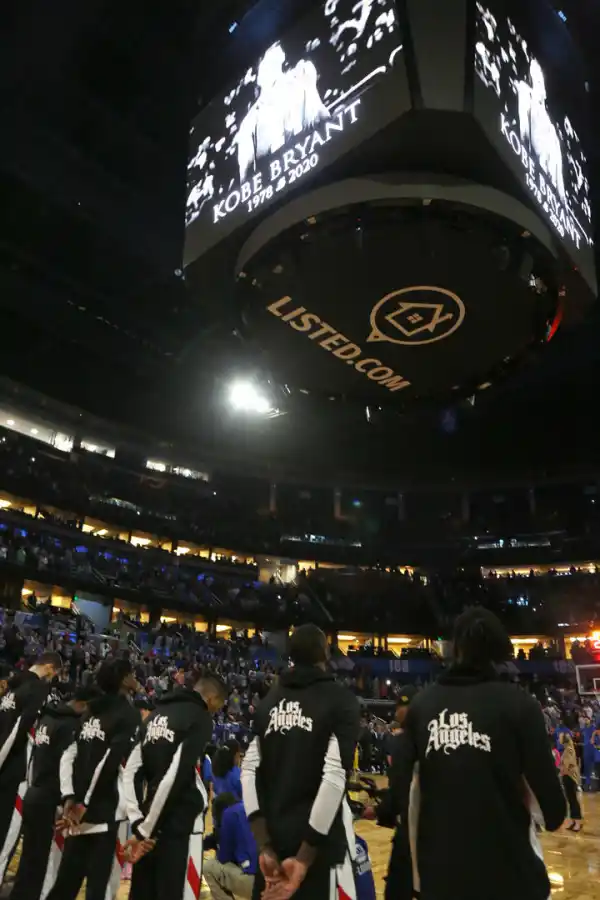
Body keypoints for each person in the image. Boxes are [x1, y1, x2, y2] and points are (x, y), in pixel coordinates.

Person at [389, 607, 566, 900]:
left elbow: (404, 795)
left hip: (441, 880)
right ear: (501, 652)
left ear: (454, 648)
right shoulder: (521, 706)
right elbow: (554, 812)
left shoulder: (421, 706)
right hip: (510, 879)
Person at [241, 623, 360, 900]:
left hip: (273, 850)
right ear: (325, 654)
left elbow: (248, 773)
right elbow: (333, 778)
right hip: (318, 854)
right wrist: (305, 858)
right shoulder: (340, 701)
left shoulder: (268, 702)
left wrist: (264, 846)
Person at [122, 670, 228, 900]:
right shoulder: (200, 717)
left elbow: (130, 774)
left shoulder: (152, 717)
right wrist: (145, 830)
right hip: (181, 826)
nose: (217, 710)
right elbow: (175, 774)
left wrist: (140, 822)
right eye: (218, 705)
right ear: (211, 699)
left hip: (149, 823)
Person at [45, 658, 141, 900]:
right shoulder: (127, 714)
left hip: (76, 810)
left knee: (65, 884)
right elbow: (108, 762)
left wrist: (69, 797)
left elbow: (69, 756)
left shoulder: (89, 711)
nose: (135, 677)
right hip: (100, 811)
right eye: (131, 673)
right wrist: (83, 804)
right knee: (98, 889)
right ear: (124, 679)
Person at [9, 685, 102, 900]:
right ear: (84, 705)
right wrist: (67, 798)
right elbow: (66, 764)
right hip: (53, 798)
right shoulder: (70, 725)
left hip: (34, 792)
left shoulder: (46, 719)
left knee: (29, 859)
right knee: (48, 861)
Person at [0, 651, 62, 881]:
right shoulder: (37, 689)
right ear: (48, 667)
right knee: (9, 831)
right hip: (16, 769)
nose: (53, 677)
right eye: (53, 672)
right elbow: (21, 728)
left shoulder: (12, 686)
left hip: (6, 763)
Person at [375, 687, 418, 900]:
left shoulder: (404, 742)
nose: (400, 711)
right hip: (435, 830)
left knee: (396, 891)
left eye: (404, 705)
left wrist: (379, 811)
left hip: (411, 828)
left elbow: (400, 787)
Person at [204, 792, 257, 900]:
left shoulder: (228, 814)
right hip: (276, 880)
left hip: (255, 884)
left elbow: (224, 858)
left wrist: (216, 843)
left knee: (208, 867)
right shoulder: (250, 807)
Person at [559, 732, 582, 831]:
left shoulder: (569, 750)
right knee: (570, 800)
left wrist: (561, 772)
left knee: (573, 800)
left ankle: (577, 823)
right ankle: (573, 821)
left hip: (570, 777)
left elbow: (566, 766)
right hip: (567, 777)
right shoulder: (567, 749)